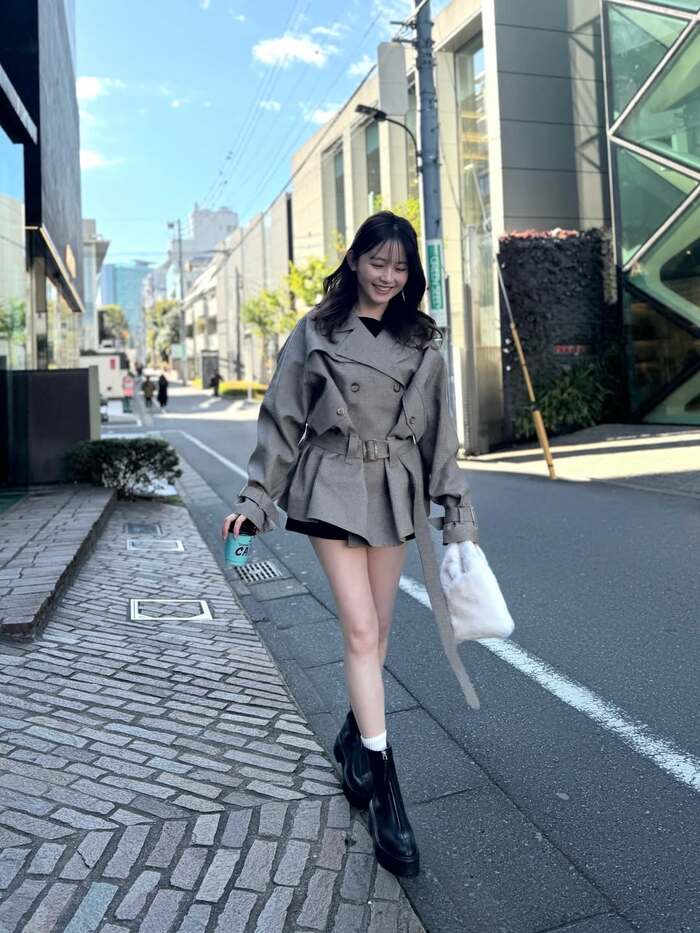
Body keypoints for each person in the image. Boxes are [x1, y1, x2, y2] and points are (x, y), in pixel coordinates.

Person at [221, 211, 479, 879]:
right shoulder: (316, 329)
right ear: (355, 259)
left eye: (400, 266)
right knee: (361, 630)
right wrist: (255, 500)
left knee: (381, 629)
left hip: (394, 486)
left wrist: (456, 512)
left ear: (410, 273)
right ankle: (386, 787)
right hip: (332, 480)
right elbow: (282, 420)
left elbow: (441, 436)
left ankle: (353, 739)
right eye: (377, 262)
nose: (387, 276)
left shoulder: (421, 339)